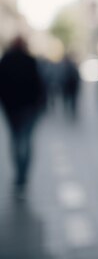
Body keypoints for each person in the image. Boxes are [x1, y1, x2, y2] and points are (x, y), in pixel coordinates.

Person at [0, 36, 46, 196]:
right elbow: (39, 84)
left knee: (15, 139)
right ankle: (23, 173)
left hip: (11, 108)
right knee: (25, 139)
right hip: (28, 108)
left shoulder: (5, 60)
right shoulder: (30, 60)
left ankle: (19, 173)